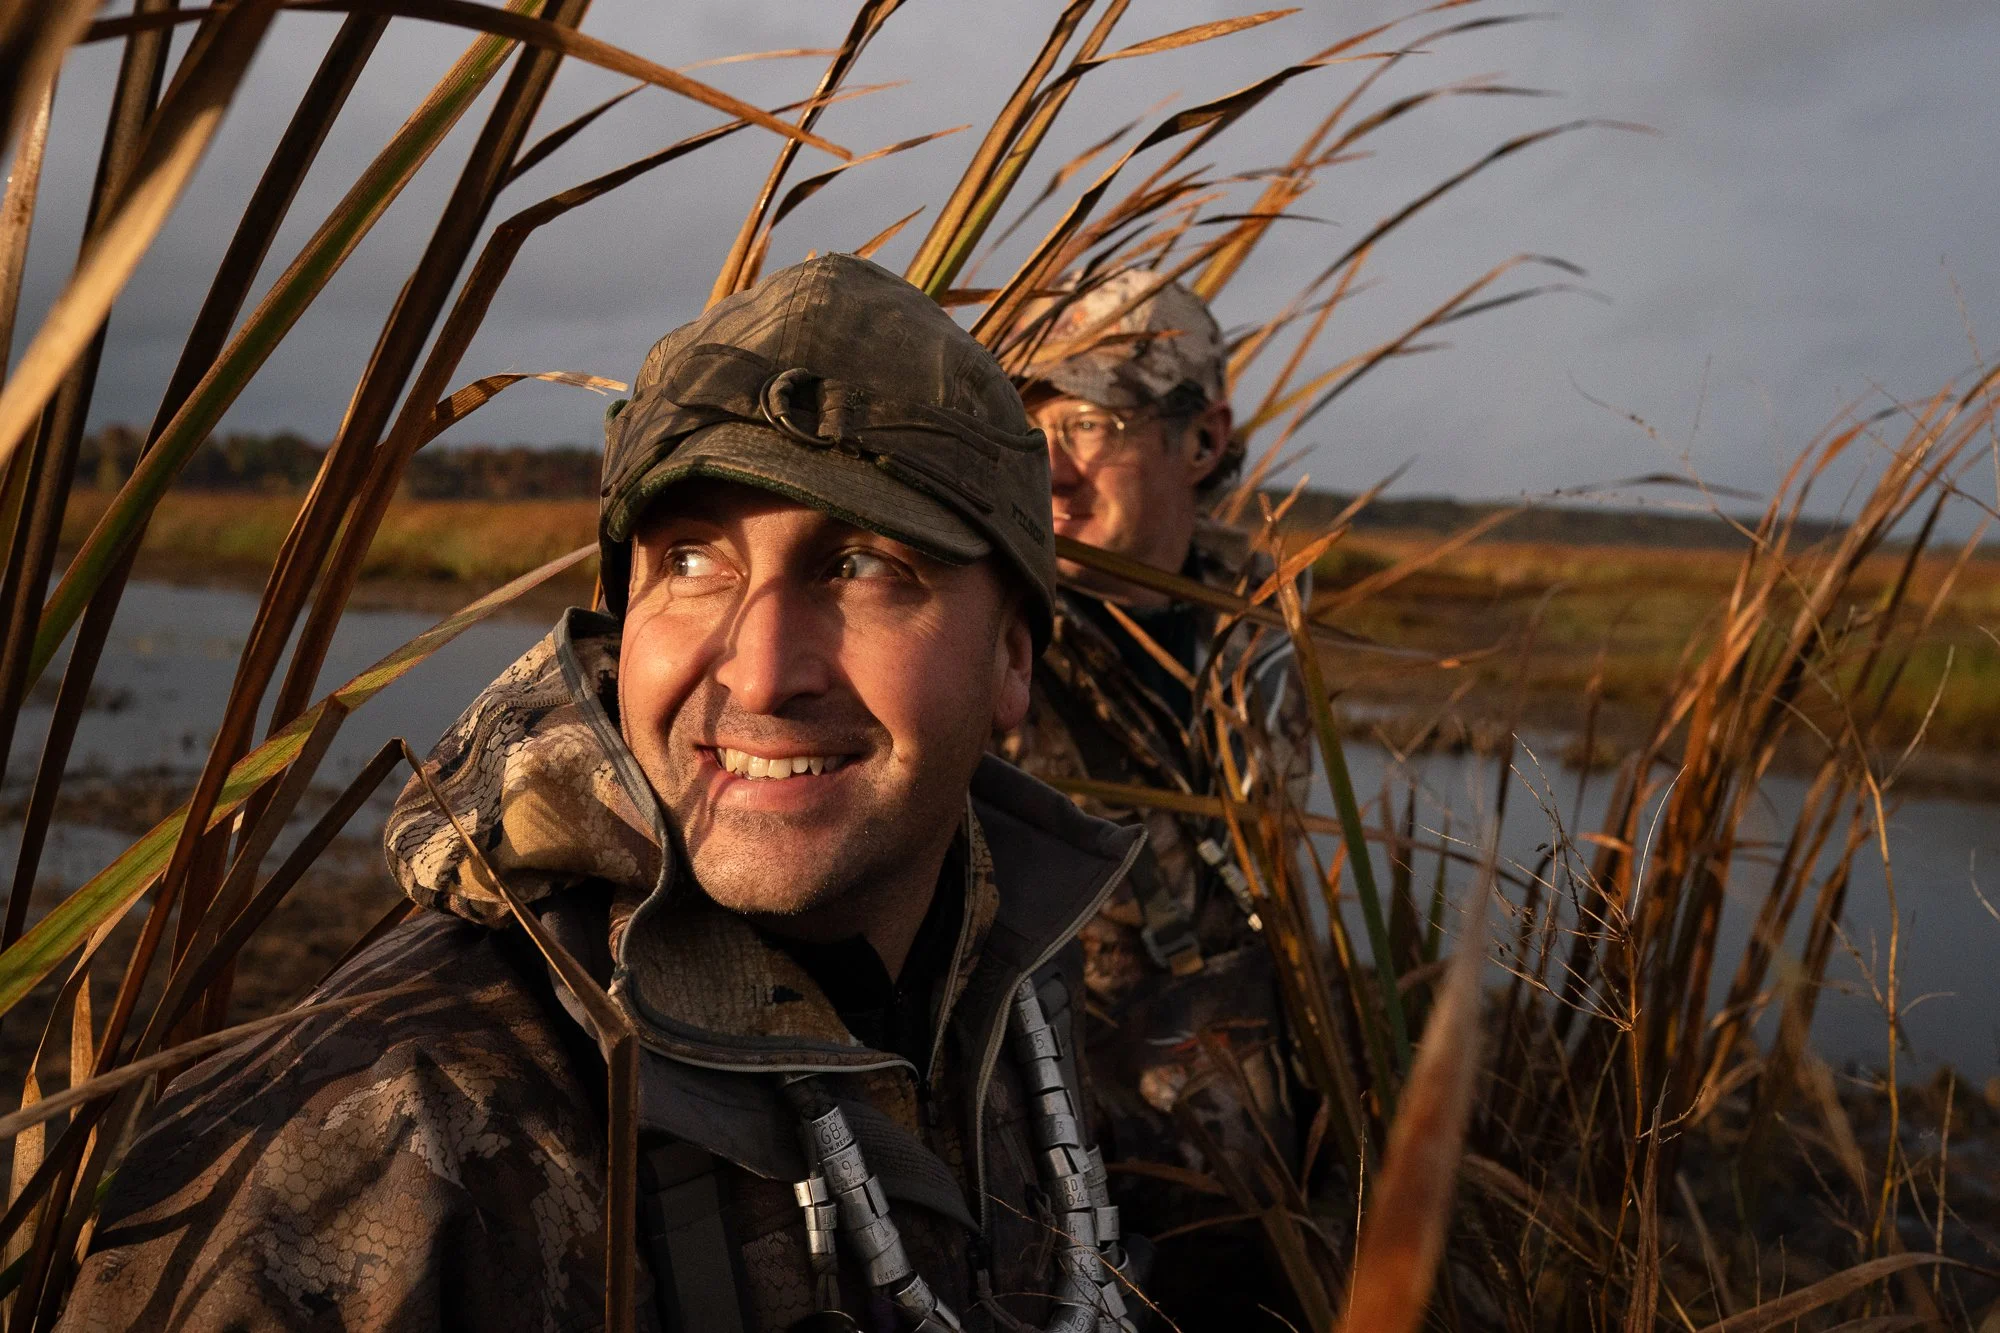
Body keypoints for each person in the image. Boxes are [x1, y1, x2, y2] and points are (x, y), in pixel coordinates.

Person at [58, 255, 1149, 1333]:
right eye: (689, 561)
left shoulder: (1036, 996)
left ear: (1013, 659)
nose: (762, 670)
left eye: (864, 567)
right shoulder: (385, 1136)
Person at [997, 270, 1316, 1327]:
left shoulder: (1264, 623)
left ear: (1202, 439)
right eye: (1031, 423)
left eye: (1090, 423)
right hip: (1058, 1200)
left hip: (1248, 1173)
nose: (1049, 463)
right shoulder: (991, 642)